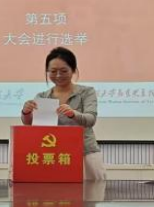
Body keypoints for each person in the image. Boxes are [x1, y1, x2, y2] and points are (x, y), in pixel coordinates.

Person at [21, 47, 106, 181]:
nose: (58, 75)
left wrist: (73, 114)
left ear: (73, 70)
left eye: (64, 71)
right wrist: (26, 112)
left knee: (93, 190)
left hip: (84, 152)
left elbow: (91, 119)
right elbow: (32, 124)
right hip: (54, 154)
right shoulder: (42, 96)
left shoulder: (86, 92)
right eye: (53, 71)